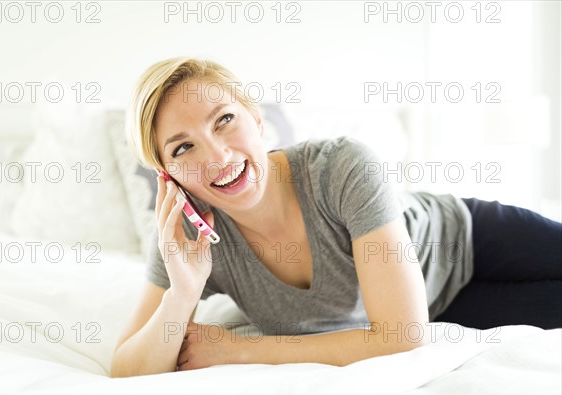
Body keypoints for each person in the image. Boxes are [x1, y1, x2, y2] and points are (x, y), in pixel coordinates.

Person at [110, 57, 562, 377]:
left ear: (256, 118)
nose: (217, 154)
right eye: (183, 147)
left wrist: (244, 350)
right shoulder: (186, 239)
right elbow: (126, 368)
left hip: (466, 236)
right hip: (443, 304)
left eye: (224, 119)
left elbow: (401, 338)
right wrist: (183, 293)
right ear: (167, 177)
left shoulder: (343, 166)